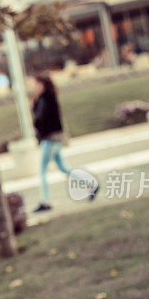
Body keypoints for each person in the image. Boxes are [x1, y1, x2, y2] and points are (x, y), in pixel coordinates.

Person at [31, 75, 95, 213]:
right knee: (64, 168)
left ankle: (45, 202)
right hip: (55, 139)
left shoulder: (45, 100)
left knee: (42, 171)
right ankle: (91, 184)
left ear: (43, 85)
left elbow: (40, 120)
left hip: (51, 140)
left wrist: (34, 106)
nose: (35, 87)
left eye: (37, 84)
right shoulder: (49, 98)